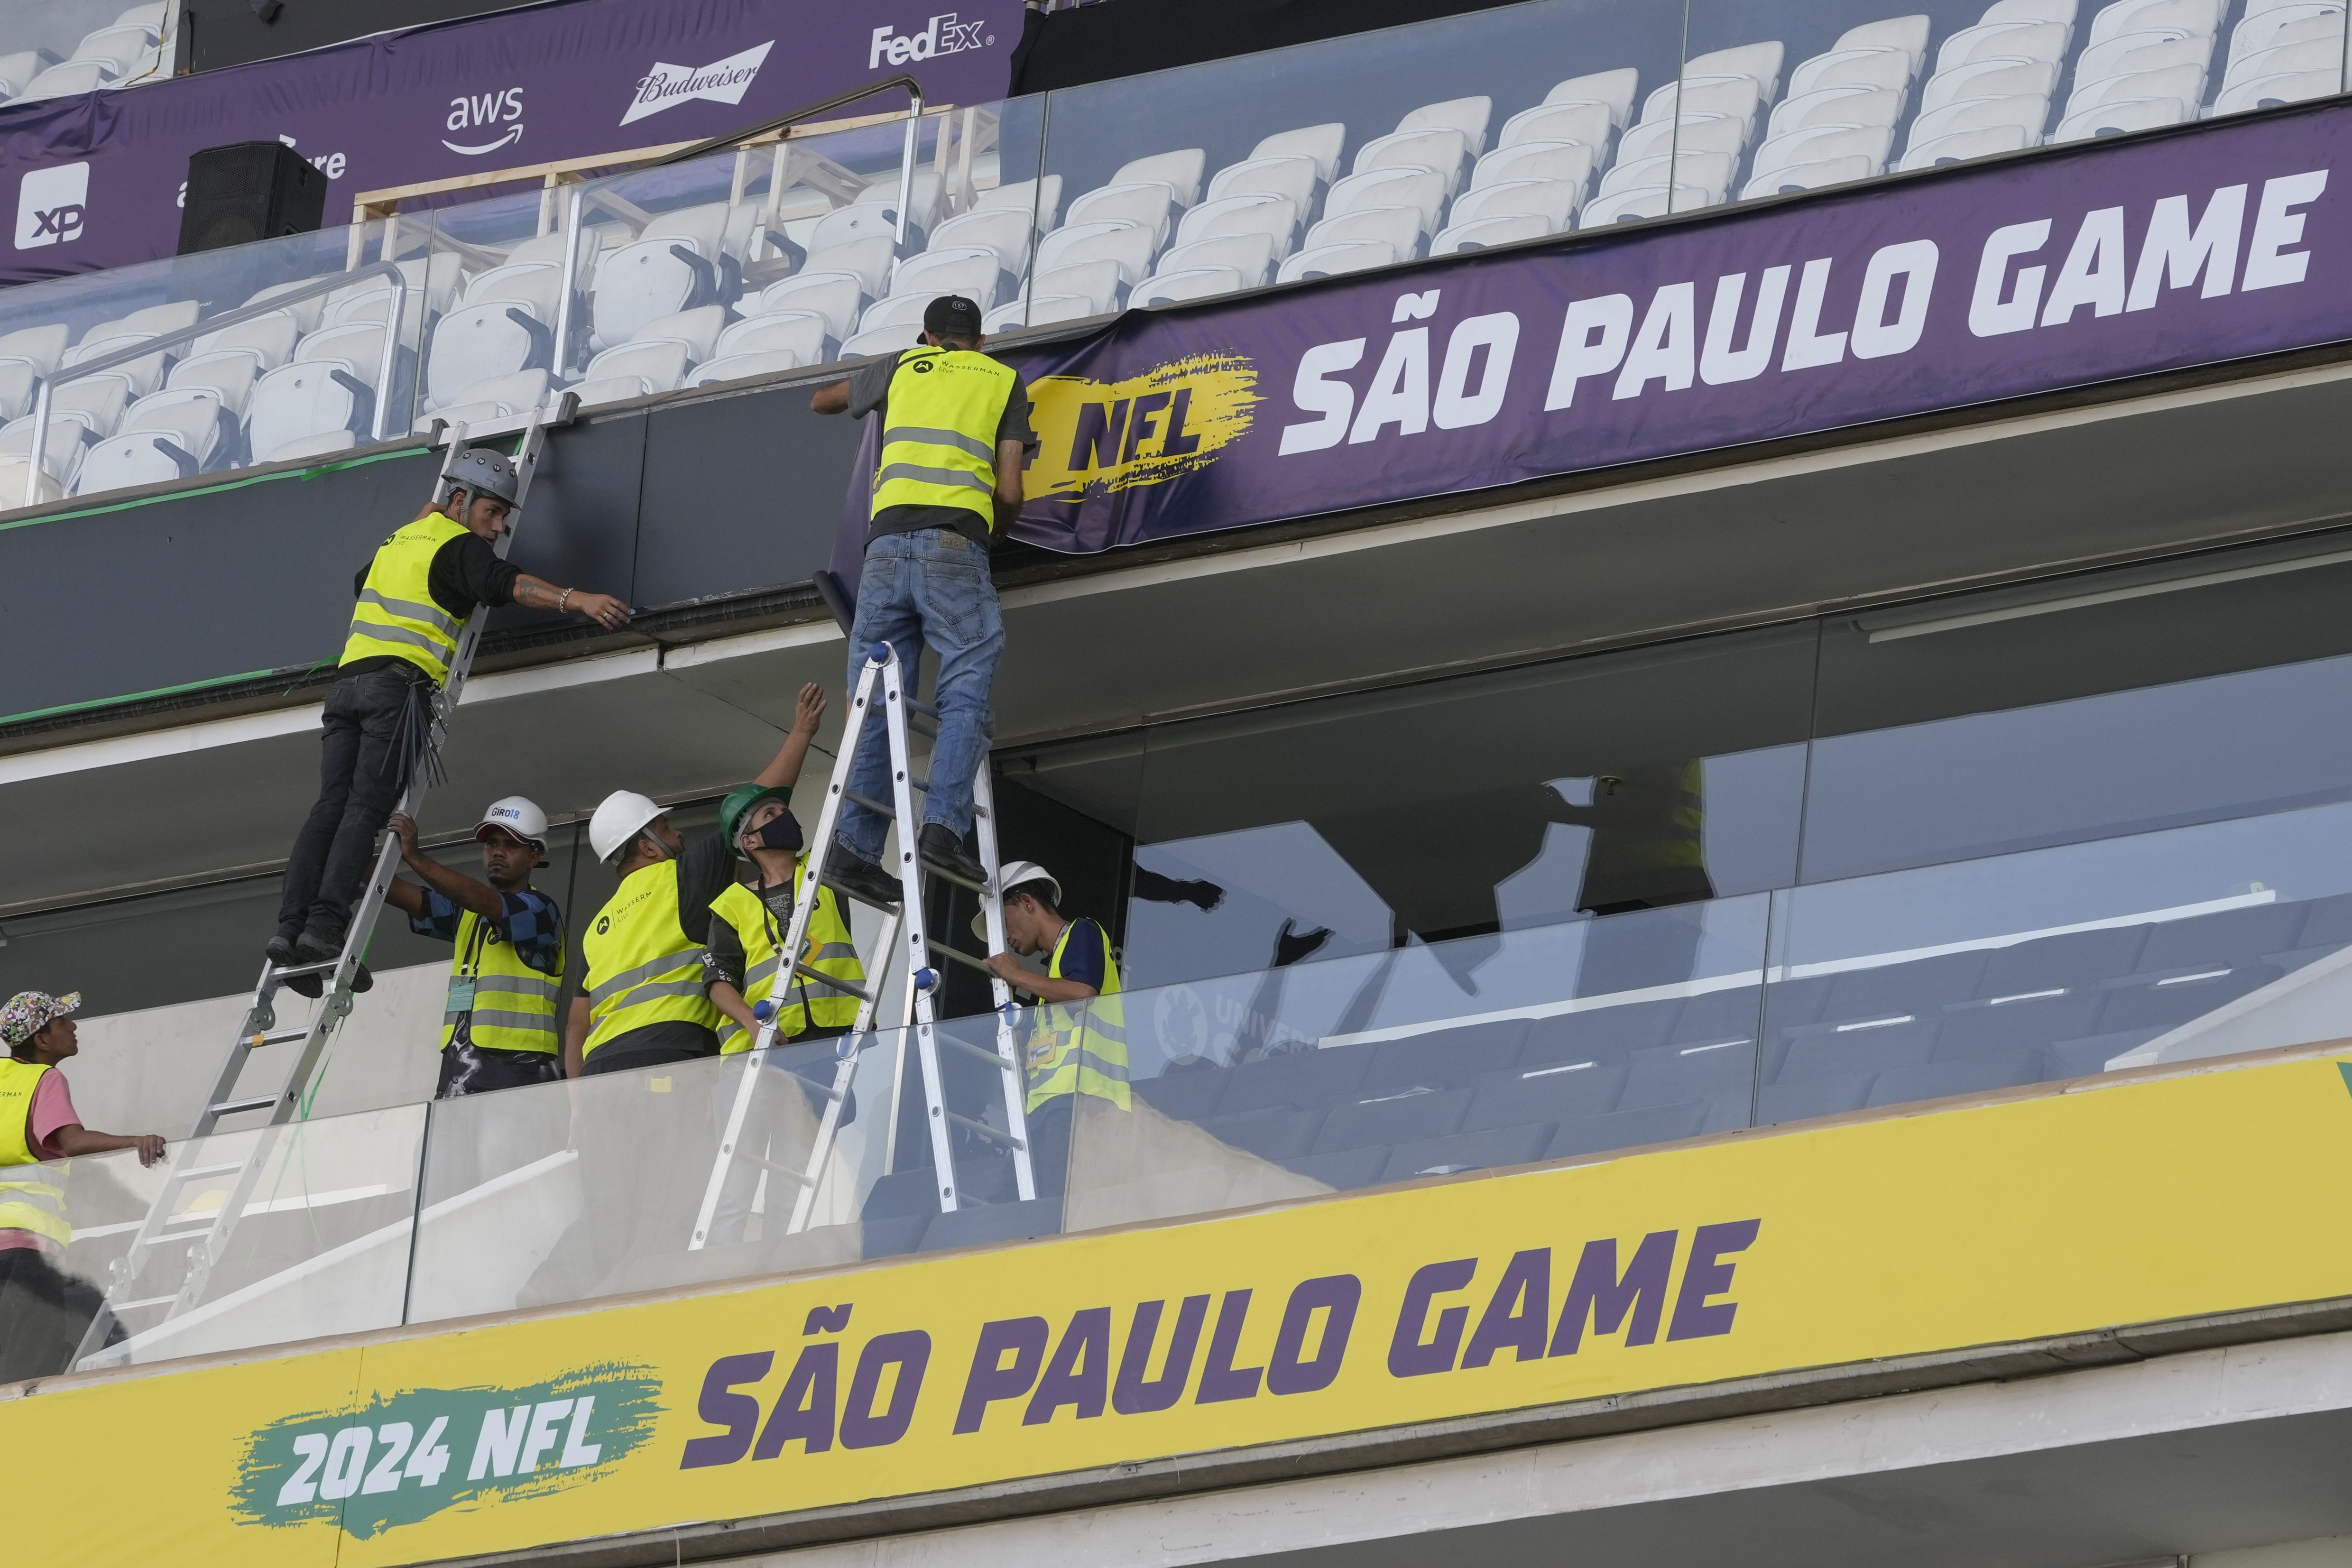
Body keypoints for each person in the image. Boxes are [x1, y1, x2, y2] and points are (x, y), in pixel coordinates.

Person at [267, 448, 631, 996]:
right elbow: (509, 585)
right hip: (396, 691)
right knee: (365, 810)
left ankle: (291, 930)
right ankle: (323, 929)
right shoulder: (457, 546)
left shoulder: (397, 541)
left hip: (345, 688)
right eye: (492, 514)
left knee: (329, 807)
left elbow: (365, 584)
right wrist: (576, 599)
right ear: (459, 502)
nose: (499, 527)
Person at [810, 294, 1037, 909]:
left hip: (882, 552)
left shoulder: (904, 365)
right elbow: (1011, 486)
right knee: (965, 681)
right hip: (953, 543)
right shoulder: (1002, 379)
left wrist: (890, 373)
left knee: (881, 705)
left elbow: (822, 400)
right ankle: (942, 828)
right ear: (980, 343)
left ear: (927, 336)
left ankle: (853, 850)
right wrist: (998, 528)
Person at [566, 690, 829, 1079]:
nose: (680, 835)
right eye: (666, 828)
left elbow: (575, 1027)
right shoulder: (680, 877)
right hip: (671, 1051)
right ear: (647, 846)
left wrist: (573, 1107)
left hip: (600, 1071)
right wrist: (802, 733)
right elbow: (749, 812)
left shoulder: (596, 929)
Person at [0, 990, 165, 1383]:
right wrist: (134, 1141)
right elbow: (71, 1142)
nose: (73, 1027)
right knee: (29, 1377)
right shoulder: (45, 1078)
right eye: (62, 1022)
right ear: (42, 1040)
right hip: (25, 1252)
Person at [703, 683, 865, 1051]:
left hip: (835, 1035)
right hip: (769, 1047)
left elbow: (854, 805)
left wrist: (856, 726)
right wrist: (754, 1026)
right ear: (751, 841)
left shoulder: (821, 870)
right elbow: (718, 980)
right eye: (771, 814)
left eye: (783, 810)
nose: (784, 816)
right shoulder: (731, 904)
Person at [382, 796, 566, 1099]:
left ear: (534, 857)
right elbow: (405, 895)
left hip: (520, 1071)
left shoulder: (541, 910)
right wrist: (352, 850)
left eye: (512, 845)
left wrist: (415, 857)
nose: (498, 852)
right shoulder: (467, 912)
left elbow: (484, 901)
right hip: (459, 1069)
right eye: (492, 843)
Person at [981, 861, 1125, 1197]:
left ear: (1028, 903)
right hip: (1049, 1111)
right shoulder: (1051, 979)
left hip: (1083, 1103)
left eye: (1004, 922)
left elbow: (1083, 993)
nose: (1005, 937)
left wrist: (1015, 975)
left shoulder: (1082, 932)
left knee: (1053, 1211)